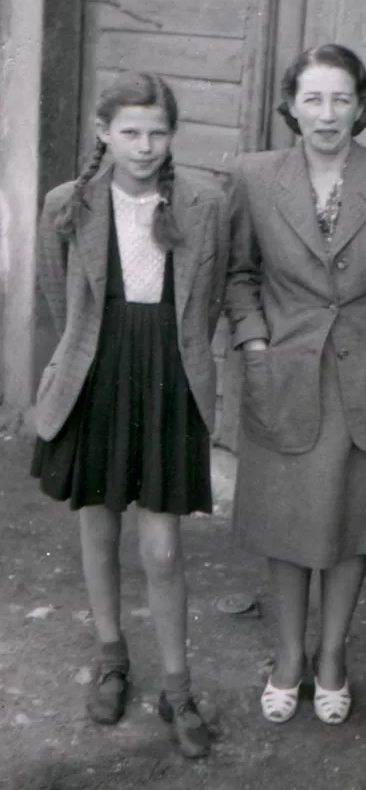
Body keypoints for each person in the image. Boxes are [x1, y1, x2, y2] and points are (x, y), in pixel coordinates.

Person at [226, 43, 366, 725]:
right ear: (291, 105)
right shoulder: (254, 176)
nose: (328, 113)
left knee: (351, 525)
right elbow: (238, 274)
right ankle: (288, 656)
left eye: (342, 97)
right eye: (313, 98)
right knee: (288, 525)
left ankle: (333, 655)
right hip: (286, 372)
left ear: (363, 103)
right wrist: (255, 341)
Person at [31, 73, 229, 759]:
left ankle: (178, 687)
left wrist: (182, 363)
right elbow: (61, 301)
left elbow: (204, 306)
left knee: (164, 547)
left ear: (172, 135)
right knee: (98, 525)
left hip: (170, 380)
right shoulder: (69, 204)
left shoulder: (205, 203)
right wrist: (91, 358)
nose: (144, 146)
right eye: (130, 132)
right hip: (97, 373)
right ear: (102, 132)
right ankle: (113, 654)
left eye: (158, 133)